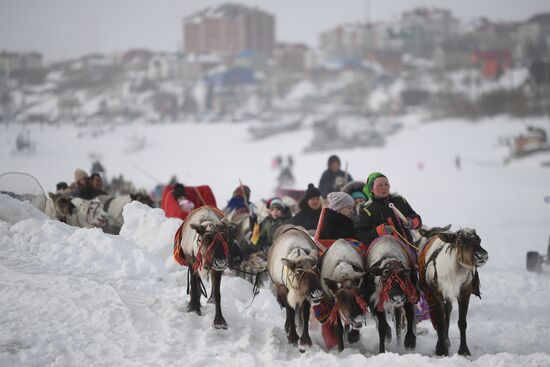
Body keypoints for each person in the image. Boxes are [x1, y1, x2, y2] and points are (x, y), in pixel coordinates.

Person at [355, 172, 422, 247]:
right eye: (380, 185)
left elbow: (417, 220)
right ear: (371, 189)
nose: (384, 187)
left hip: (407, 249)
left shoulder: (400, 201)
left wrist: (411, 222)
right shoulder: (366, 210)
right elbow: (362, 235)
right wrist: (379, 231)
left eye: (386, 184)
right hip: (383, 253)